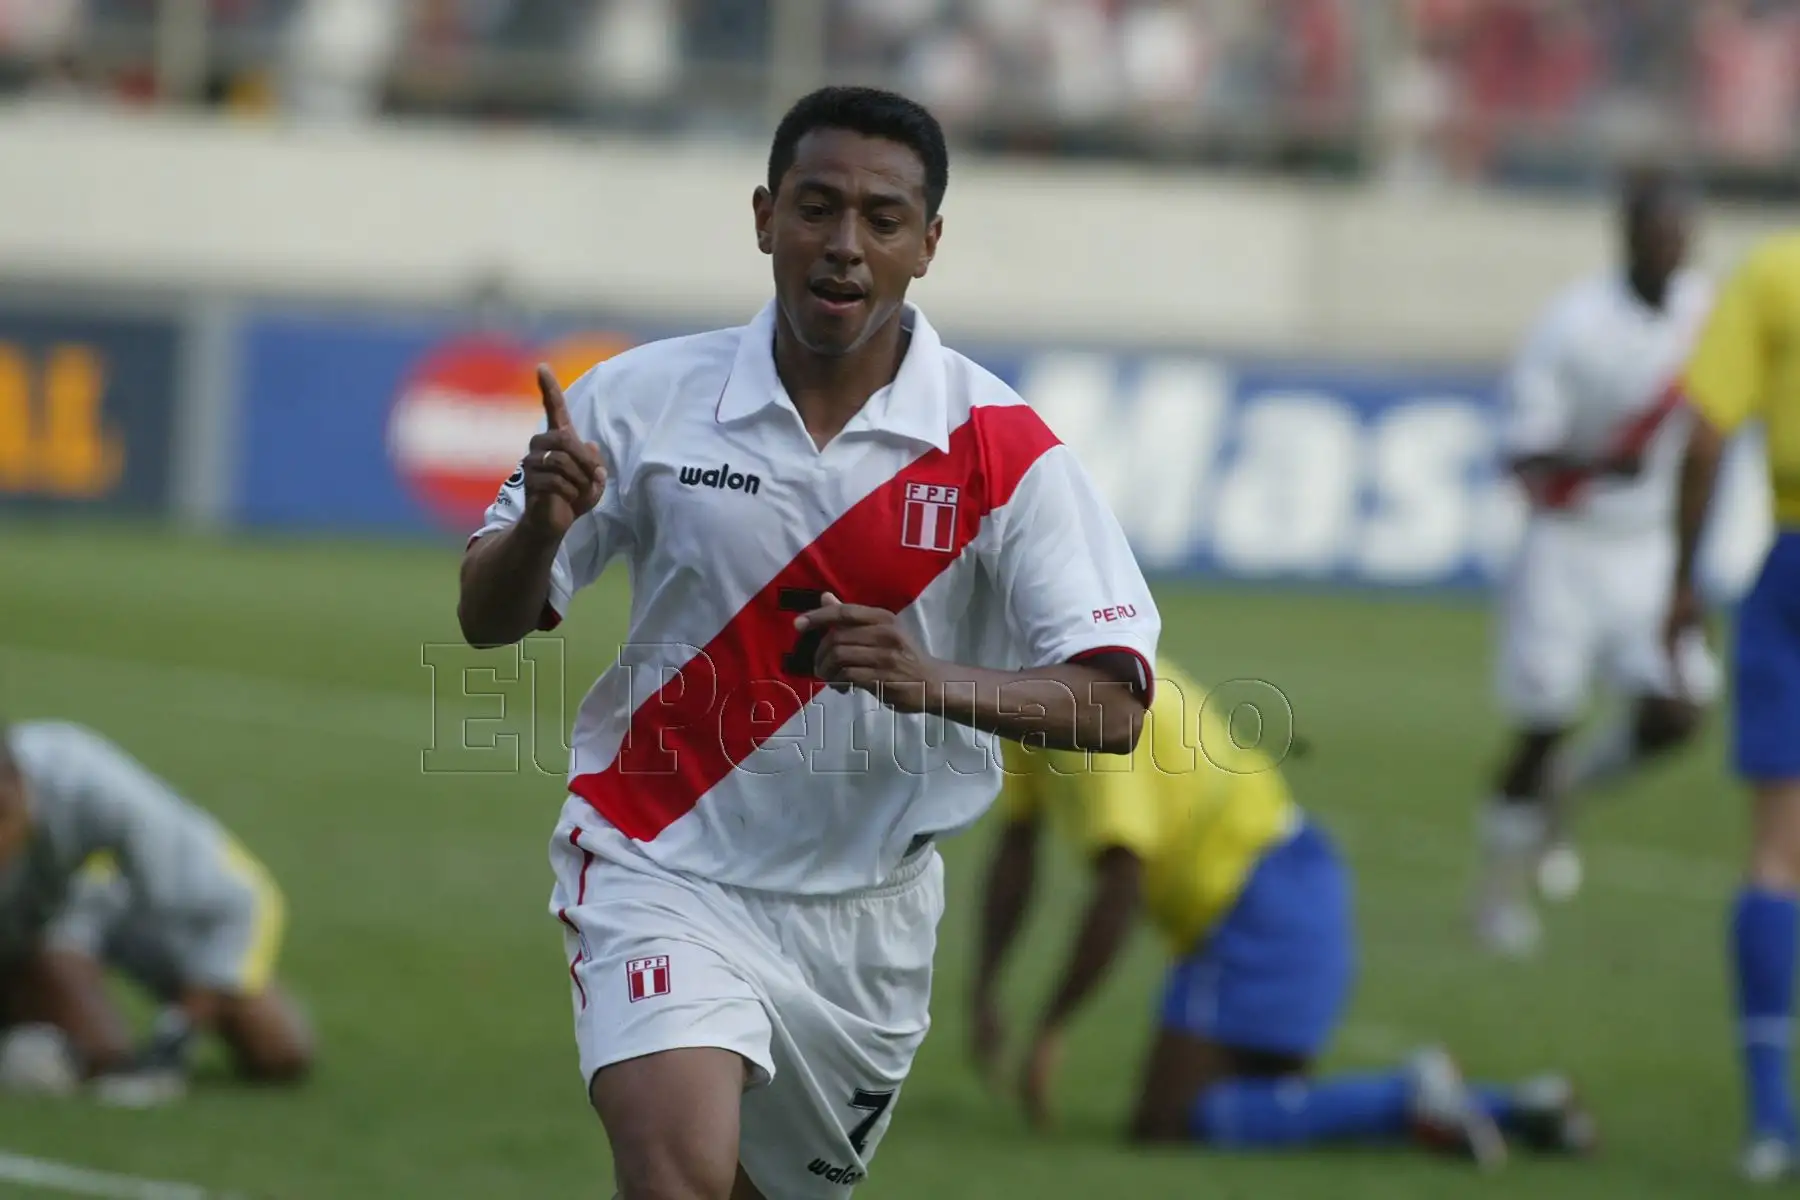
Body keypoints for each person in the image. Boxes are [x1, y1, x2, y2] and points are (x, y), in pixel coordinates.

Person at [456, 85, 1158, 1200]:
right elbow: (484, 620)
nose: (844, 245)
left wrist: (931, 682)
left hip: (864, 924)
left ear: (928, 245)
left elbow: (1117, 704)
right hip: (659, 864)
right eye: (816, 207)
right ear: (763, 218)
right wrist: (541, 527)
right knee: (673, 1177)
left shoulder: (1002, 452)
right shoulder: (639, 400)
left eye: (882, 219)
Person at [970, 657, 1595, 1169]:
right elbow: (1017, 843)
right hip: (1274, 889)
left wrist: (1051, 1026)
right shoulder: (1048, 692)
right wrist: (985, 988)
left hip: (1261, 901)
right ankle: (1520, 1107)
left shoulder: (1094, 703)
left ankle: (1407, 1098)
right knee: (1267, 1105)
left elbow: (1120, 883)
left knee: (1169, 1122)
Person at [1476, 168, 1719, 957]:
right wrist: (1589, 459)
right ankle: (1497, 898)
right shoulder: (1573, 324)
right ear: (1628, 237)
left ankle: (1566, 795)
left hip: (1649, 548)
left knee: (1679, 709)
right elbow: (1522, 449)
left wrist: (1698, 562)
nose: (1672, 248)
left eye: (1682, 234)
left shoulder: (1704, 311)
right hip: (1568, 544)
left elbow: (1716, 432)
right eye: (1659, 233)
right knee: (1544, 722)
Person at [1665, 229, 1800, 1183]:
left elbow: (1706, 429)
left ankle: (1768, 1118)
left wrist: (1681, 582)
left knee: (1776, 853)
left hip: (1794, 567)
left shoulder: (1774, 269)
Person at [0, 720, 313, 1104]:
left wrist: (176, 1037)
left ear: (18, 782)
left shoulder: (93, 785)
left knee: (278, 1052)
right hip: (51, 924)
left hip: (133, 907)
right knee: (102, 1052)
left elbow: (239, 902)